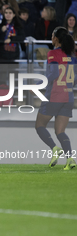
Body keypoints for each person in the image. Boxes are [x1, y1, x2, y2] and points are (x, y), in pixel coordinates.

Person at [35, 27, 77, 170]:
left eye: (52, 35)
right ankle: (70, 159)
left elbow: (53, 74)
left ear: (56, 39)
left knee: (40, 125)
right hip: (69, 97)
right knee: (60, 131)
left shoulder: (53, 53)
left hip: (54, 96)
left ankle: (54, 148)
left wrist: (40, 83)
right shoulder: (72, 55)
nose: (51, 38)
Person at [0, 6, 25, 85]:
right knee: (1, 77)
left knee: (13, 77)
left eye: (10, 13)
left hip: (13, 54)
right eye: (6, 13)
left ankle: (14, 95)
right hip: (2, 54)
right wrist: (1, 31)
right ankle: (1, 94)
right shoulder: (0, 26)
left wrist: (11, 39)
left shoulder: (18, 26)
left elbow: (22, 37)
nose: (8, 15)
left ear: (13, 15)